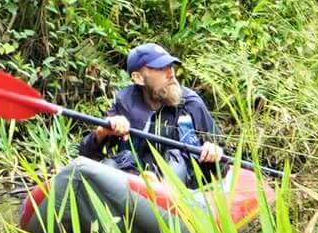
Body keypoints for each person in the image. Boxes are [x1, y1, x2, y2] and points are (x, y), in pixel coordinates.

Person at [77, 42, 226, 183]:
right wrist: (103, 132)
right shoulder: (125, 103)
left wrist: (214, 152)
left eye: (171, 66)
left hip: (183, 184)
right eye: (161, 68)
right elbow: (86, 156)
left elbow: (224, 166)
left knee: (176, 158)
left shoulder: (191, 103)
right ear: (138, 78)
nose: (171, 73)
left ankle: (159, 187)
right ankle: (144, 185)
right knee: (112, 163)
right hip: (134, 177)